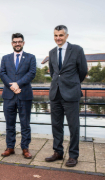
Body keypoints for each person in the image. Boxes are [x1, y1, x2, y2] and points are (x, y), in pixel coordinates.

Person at [45, 25, 87, 167]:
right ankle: (58, 152)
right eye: (56, 35)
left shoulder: (77, 50)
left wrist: (72, 84)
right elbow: (53, 73)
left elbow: (83, 71)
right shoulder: (51, 52)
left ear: (66, 36)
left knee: (73, 127)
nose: (58, 38)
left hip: (71, 94)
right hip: (55, 94)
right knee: (56, 125)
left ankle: (73, 155)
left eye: (61, 35)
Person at [0, 33, 36, 159]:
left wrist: (17, 84)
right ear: (12, 43)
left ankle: (25, 148)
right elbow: (2, 74)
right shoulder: (5, 58)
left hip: (24, 95)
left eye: (19, 41)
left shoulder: (31, 57)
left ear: (23, 43)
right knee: (10, 124)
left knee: (25, 124)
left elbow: (32, 73)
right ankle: (10, 147)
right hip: (9, 95)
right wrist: (12, 86)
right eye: (15, 41)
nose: (17, 44)